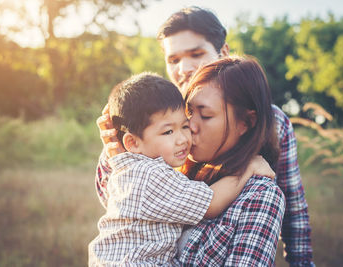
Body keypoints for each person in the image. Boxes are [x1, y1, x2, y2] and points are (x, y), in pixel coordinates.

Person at [98, 6, 313, 266]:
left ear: (223, 52)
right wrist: (117, 154)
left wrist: (301, 262)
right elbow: (120, 199)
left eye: (196, 54)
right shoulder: (153, 110)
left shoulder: (272, 121)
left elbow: (290, 199)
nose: (184, 68)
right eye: (173, 59)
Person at [88, 72, 275, 266]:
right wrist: (247, 169)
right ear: (133, 142)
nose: (183, 138)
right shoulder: (149, 175)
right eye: (168, 131)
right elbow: (209, 205)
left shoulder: (129, 170)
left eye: (184, 126)